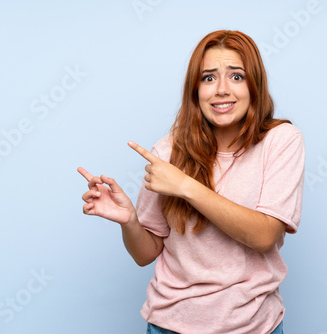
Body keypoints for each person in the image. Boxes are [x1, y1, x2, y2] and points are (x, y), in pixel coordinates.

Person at [78, 30, 305, 334]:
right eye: (208, 78)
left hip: (253, 326)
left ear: (254, 85)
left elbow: (264, 236)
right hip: (169, 325)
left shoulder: (281, 141)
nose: (222, 89)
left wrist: (185, 186)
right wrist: (129, 221)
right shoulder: (167, 152)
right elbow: (145, 254)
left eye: (236, 77)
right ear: (195, 90)